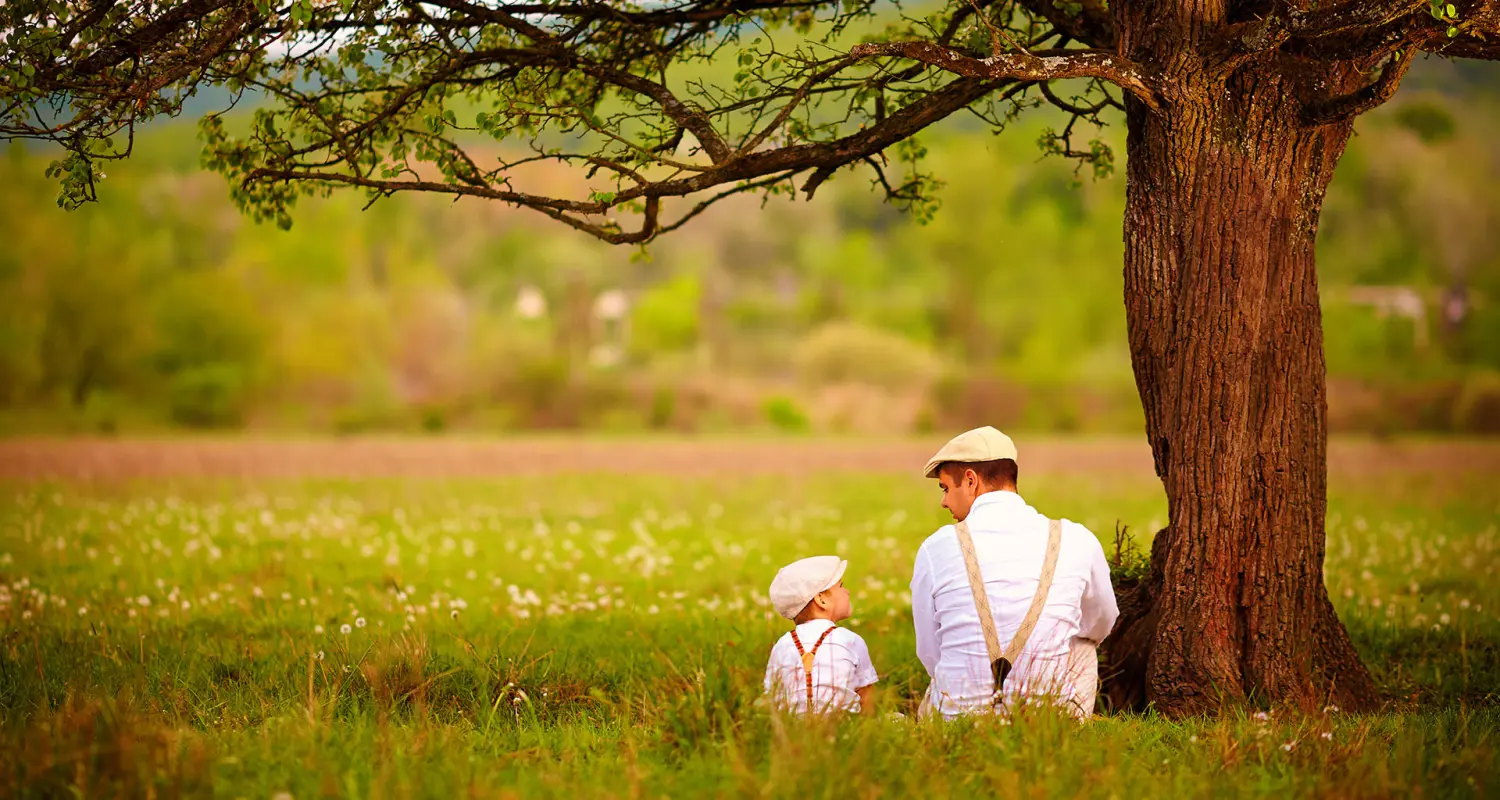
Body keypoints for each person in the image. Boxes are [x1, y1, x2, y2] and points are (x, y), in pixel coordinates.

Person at [911, 426, 1118, 718]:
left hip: (959, 722)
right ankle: (1068, 728)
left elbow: (930, 652)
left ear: (971, 480)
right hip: (1046, 721)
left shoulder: (935, 548)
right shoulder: (1076, 538)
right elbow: (1102, 623)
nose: (944, 501)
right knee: (1083, 644)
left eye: (945, 488)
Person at [763, 555, 880, 714]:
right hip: (844, 726)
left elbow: (773, 697)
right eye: (841, 586)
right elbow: (867, 699)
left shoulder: (782, 645)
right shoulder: (850, 640)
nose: (847, 591)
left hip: (793, 730)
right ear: (821, 600)